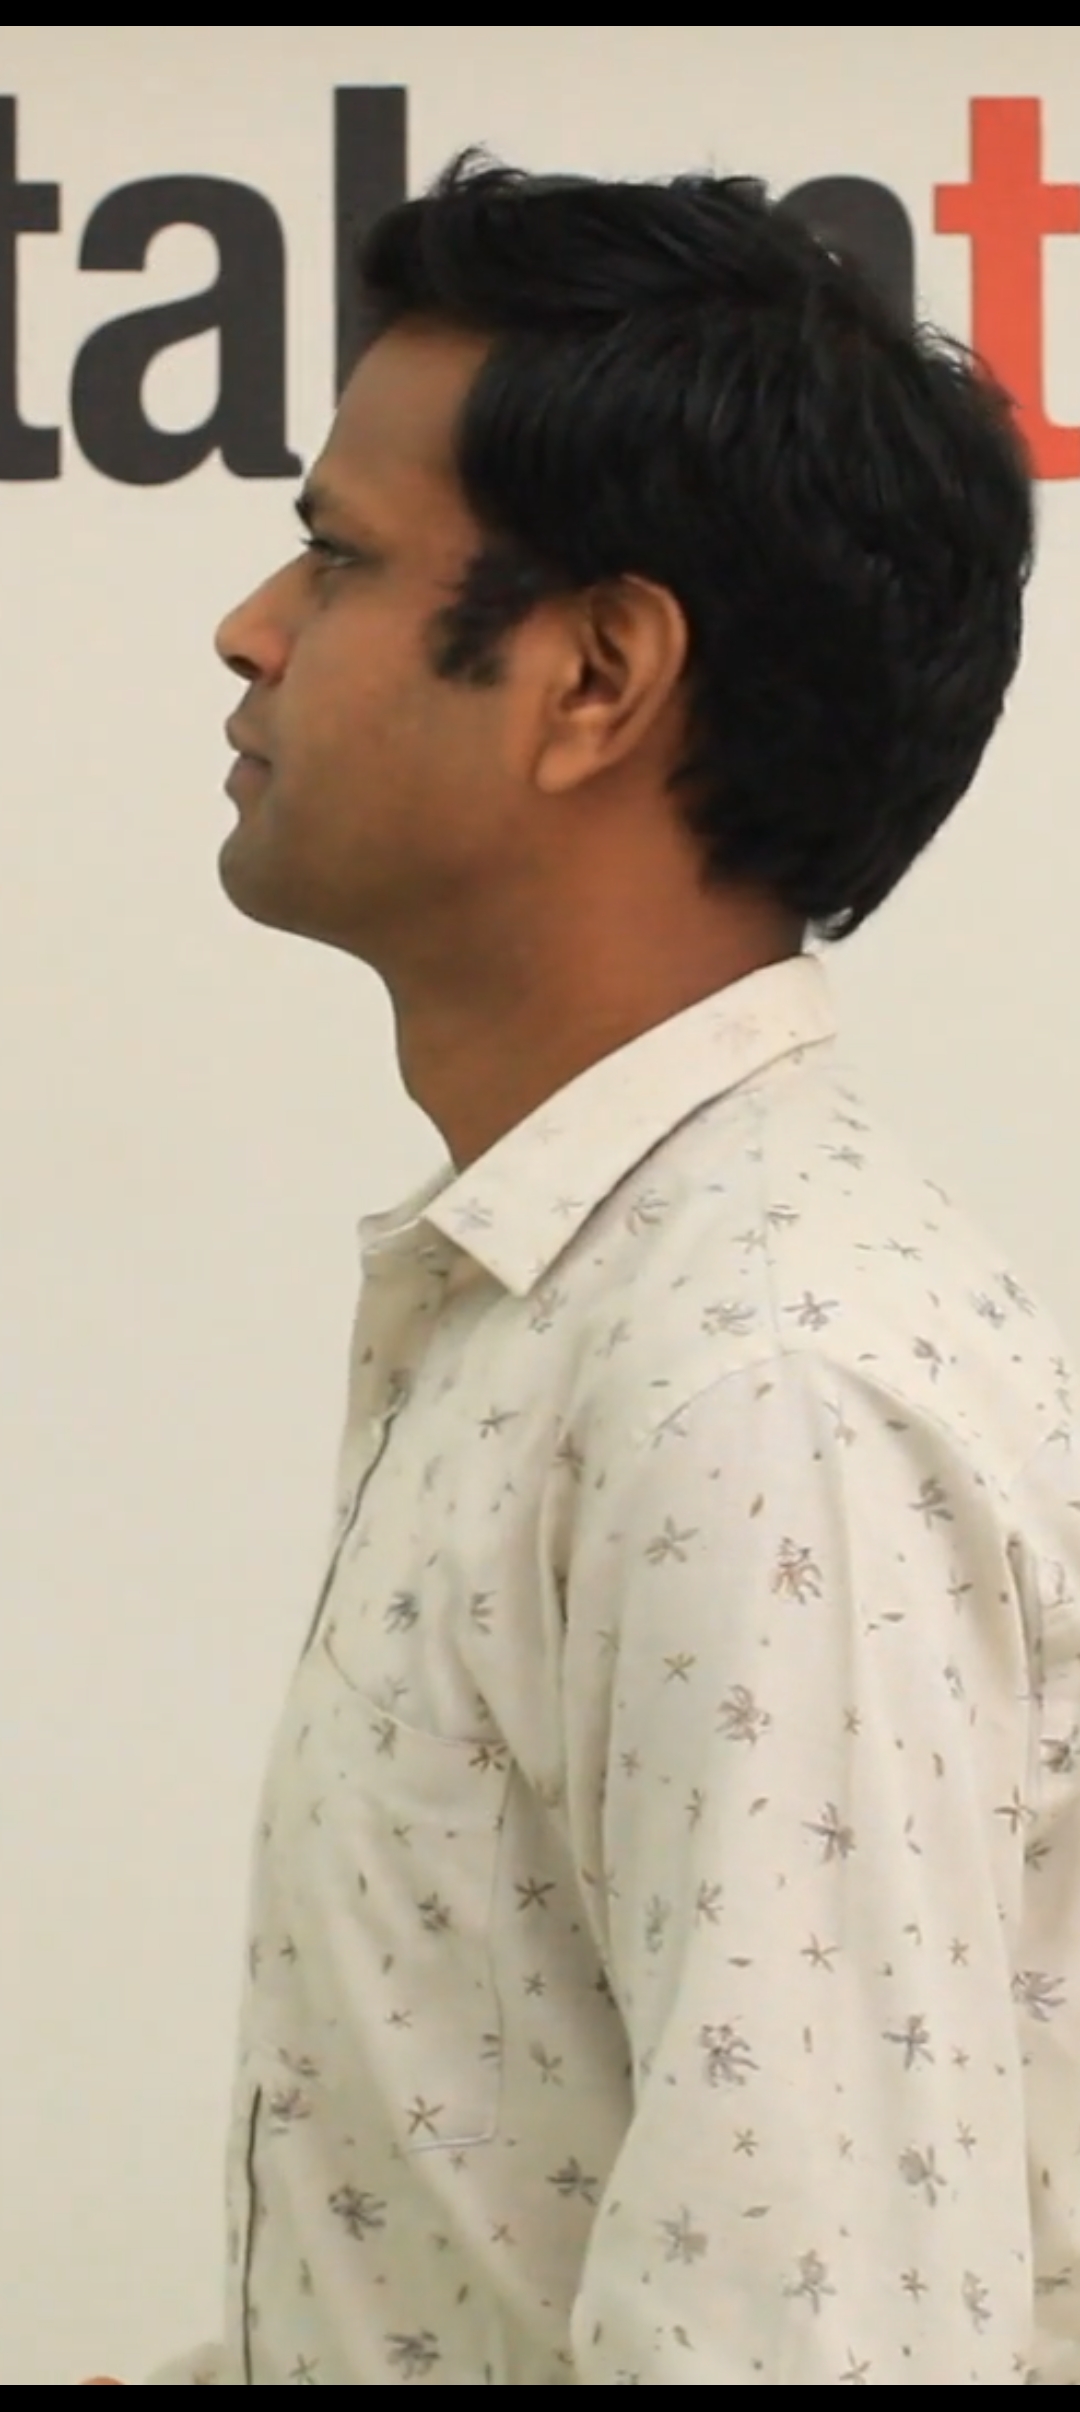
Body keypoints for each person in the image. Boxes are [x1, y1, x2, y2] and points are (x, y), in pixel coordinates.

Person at [92, 153, 1080, 2385]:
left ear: (598, 676)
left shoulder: (759, 1387)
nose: (251, 625)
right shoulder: (593, 1308)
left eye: (340, 557)